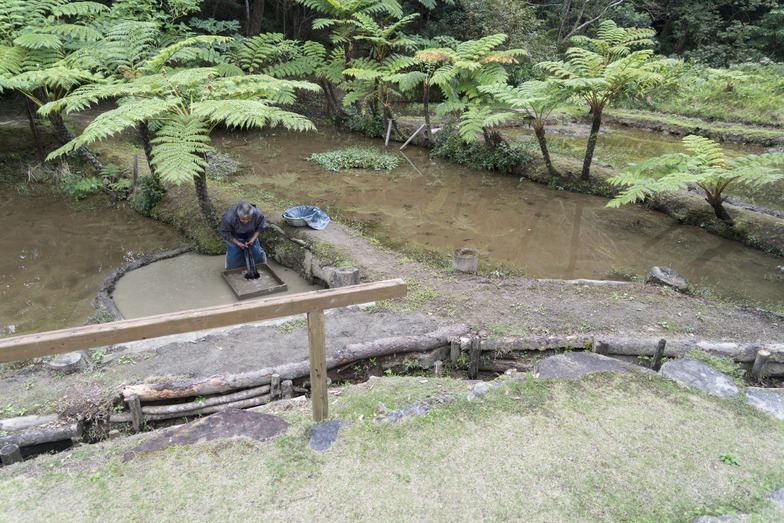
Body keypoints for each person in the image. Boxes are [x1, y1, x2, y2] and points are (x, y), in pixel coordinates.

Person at [218, 201, 268, 270]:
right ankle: (234, 271)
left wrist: (253, 239)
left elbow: (261, 227)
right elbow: (224, 232)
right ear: (237, 215)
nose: (246, 221)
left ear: (252, 214)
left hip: (251, 234)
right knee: (234, 259)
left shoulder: (257, 214)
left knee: (257, 254)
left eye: (248, 218)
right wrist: (237, 243)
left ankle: (259, 268)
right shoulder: (229, 217)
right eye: (243, 219)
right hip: (234, 236)